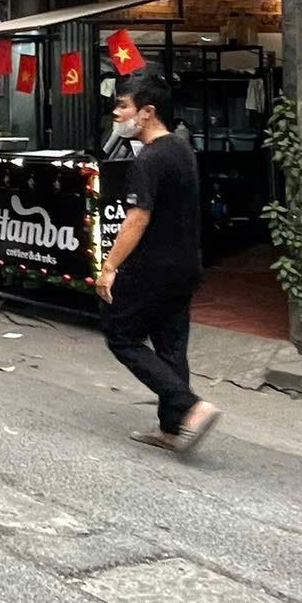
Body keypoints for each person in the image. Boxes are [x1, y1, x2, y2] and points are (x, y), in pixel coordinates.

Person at [97, 69, 217, 453]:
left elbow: (137, 218)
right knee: (170, 346)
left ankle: (190, 406)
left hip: (154, 267)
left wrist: (109, 267)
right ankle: (173, 428)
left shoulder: (149, 159)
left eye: (123, 106)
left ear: (146, 112)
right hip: (186, 266)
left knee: (120, 335)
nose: (116, 114)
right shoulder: (181, 149)